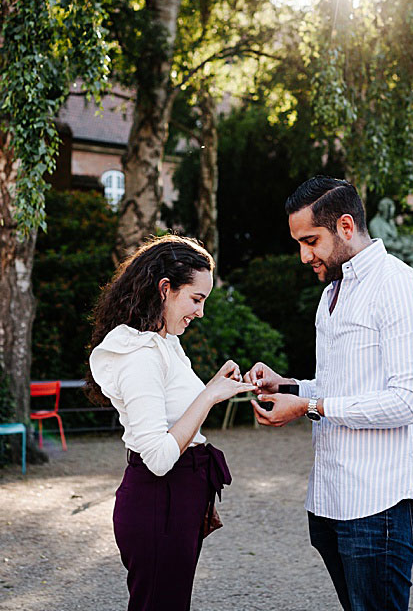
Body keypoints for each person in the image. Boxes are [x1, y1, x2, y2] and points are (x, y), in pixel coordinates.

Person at [246, 176, 413, 611]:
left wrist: (309, 406)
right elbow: (343, 389)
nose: (304, 255)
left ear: (347, 226)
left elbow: (409, 401)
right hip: (332, 497)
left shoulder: (401, 288)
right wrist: (290, 386)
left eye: (311, 240)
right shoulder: (332, 293)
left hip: (381, 503)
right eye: (299, 242)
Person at [84, 235, 253, 611]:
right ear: (165, 289)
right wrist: (208, 396)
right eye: (197, 299)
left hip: (179, 498)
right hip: (160, 502)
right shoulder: (138, 354)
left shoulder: (164, 341)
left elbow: (178, 414)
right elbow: (158, 457)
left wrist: (216, 387)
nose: (201, 312)